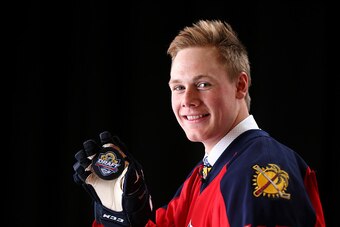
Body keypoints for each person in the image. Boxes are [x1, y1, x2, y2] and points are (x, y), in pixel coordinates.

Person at [73, 19, 326, 227]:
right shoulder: (208, 172)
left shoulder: (256, 172)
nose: (187, 100)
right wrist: (120, 213)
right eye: (179, 87)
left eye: (203, 84)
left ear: (240, 85)